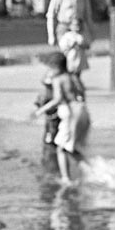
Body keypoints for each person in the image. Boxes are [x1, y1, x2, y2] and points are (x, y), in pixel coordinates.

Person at [34, 52, 90, 184]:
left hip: (71, 114)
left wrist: (40, 111)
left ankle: (66, 178)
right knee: (70, 148)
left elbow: (57, 99)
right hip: (82, 111)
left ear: (56, 67)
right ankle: (90, 169)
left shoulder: (58, 79)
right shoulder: (73, 76)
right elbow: (82, 92)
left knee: (61, 148)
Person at [58, 17, 89, 97]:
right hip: (71, 59)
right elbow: (63, 47)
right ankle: (80, 89)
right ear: (70, 26)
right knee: (73, 75)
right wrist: (71, 45)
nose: (77, 27)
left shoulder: (81, 35)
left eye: (78, 25)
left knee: (77, 75)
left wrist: (82, 45)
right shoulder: (67, 36)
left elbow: (87, 45)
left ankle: (76, 91)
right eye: (75, 25)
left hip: (79, 59)